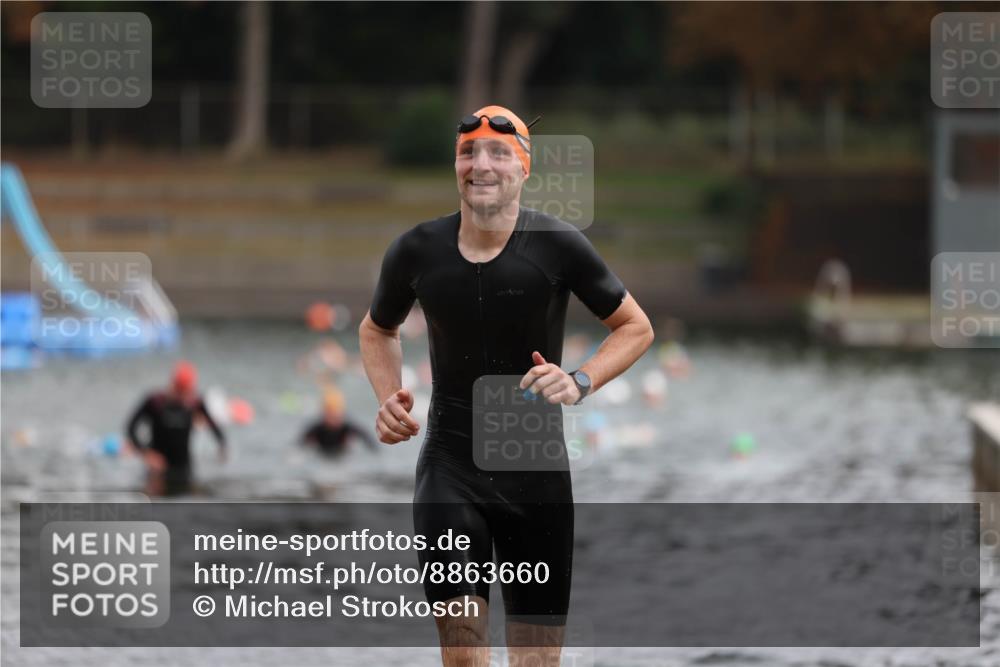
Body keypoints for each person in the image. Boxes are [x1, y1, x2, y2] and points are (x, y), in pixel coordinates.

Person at [359, 105, 654, 666]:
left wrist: (579, 380)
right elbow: (377, 329)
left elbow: (635, 327)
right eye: (469, 152)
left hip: (536, 477)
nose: (481, 165)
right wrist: (387, 397)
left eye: (498, 153)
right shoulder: (416, 251)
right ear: (456, 165)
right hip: (450, 469)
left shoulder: (559, 246)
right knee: (465, 654)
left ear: (524, 169)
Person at [125, 361, 227, 496]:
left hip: (184, 468)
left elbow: (214, 428)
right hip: (158, 469)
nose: (185, 397)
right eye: (182, 391)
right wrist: (146, 454)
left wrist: (222, 446)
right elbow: (131, 427)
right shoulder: (154, 402)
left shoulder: (195, 403)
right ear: (173, 385)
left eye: (188, 391)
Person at [299, 388, 377, 457]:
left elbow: (367, 439)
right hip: (322, 455)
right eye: (329, 413)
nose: (333, 418)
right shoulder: (317, 428)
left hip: (341, 455)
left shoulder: (347, 426)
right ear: (324, 413)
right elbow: (299, 445)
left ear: (341, 413)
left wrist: (373, 452)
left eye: (336, 414)